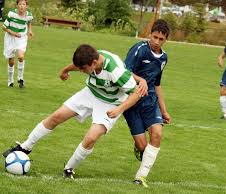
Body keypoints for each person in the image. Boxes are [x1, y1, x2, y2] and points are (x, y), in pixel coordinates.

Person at [3, 44, 142, 179]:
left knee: (91, 138)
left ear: (94, 63)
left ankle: (69, 169)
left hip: (111, 103)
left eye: (83, 69)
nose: (81, 71)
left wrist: (119, 109)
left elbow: (136, 93)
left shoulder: (116, 71)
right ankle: (25, 147)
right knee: (56, 116)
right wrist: (65, 70)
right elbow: (77, 65)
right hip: (91, 93)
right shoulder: (90, 56)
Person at [123, 19, 172, 187]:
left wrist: (164, 110)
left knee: (157, 134)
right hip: (131, 102)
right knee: (143, 147)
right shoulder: (139, 49)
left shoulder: (164, 58)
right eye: (155, 37)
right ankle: (140, 149)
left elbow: (157, 85)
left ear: (166, 40)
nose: (156, 42)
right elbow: (123, 72)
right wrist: (140, 79)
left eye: (161, 39)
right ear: (150, 34)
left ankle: (140, 177)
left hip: (150, 101)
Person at [2, 0, 33, 88]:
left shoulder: (29, 15)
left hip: (21, 37)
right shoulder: (11, 14)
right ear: (17, 5)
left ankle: (20, 79)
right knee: (11, 62)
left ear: (26, 6)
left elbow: (29, 22)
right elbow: (4, 27)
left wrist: (30, 30)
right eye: (20, 4)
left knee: (21, 56)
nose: (22, 6)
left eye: (24, 4)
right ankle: (10, 81)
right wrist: (13, 33)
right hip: (10, 38)